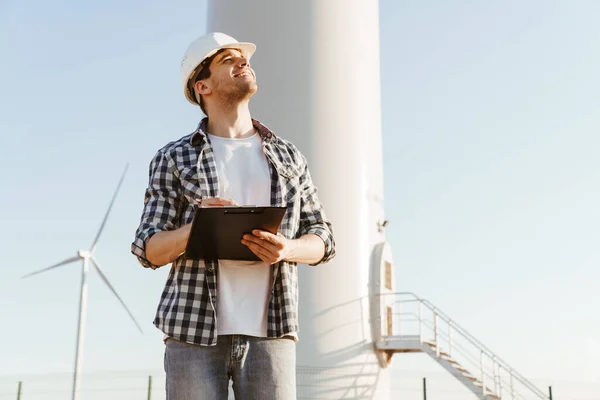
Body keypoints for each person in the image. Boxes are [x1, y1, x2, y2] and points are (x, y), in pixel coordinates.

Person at [131, 32, 336, 400]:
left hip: (272, 333)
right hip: (192, 334)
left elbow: (322, 238)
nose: (244, 62)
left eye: (245, 59)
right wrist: (198, 228)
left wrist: (286, 249)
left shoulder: (290, 157)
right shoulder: (173, 158)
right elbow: (149, 248)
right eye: (229, 59)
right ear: (203, 85)